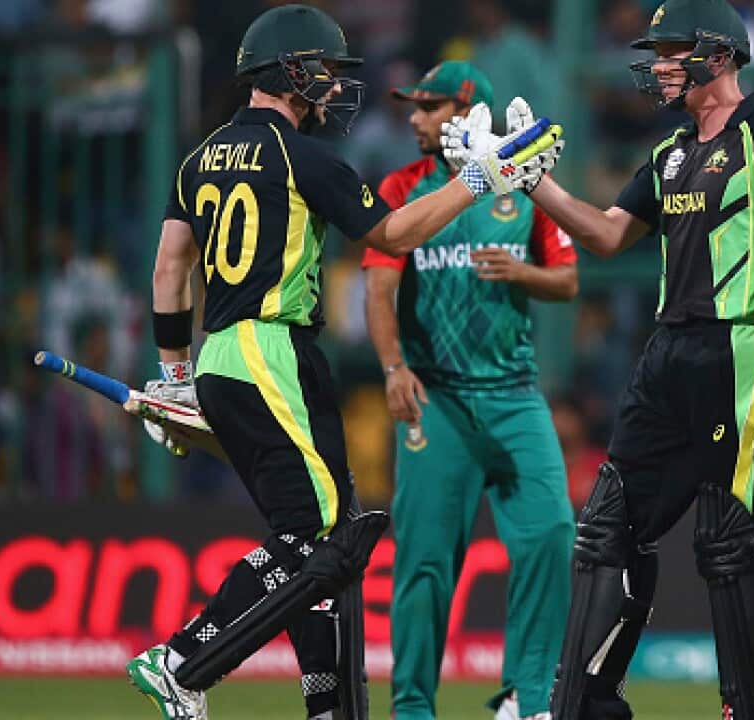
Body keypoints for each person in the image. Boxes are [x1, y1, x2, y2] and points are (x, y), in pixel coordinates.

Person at [122, 6, 563, 720]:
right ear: (289, 71)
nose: (331, 86)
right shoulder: (306, 158)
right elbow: (390, 233)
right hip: (272, 350)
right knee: (322, 534)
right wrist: (483, 177)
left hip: (219, 357)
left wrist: (174, 375)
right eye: (321, 71)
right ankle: (185, 660)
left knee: (319, 542)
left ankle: (329, 707)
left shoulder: (198, 157)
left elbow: (169, 271)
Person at [446, 1, 754, 717]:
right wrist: (534, 182)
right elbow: (606, 233)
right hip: (666, 357)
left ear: (717, 54)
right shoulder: (670, 154)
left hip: (740, 351)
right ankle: (587, 706)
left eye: (671, 51)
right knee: (606, 530)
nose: (657, 67)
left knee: (730, 544)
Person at [362, 61, 578, 720]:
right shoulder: (402, 186)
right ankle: (413, 710)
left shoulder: (524, 188)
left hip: (513, 394)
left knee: (552, 534)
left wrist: (520, 272)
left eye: (429, 107)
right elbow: (378, 285)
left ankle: (528, 697)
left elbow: (568, 280)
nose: (414, 118)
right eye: (414, 107)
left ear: (469, 113)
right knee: (425, 564)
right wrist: (394, 366)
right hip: (438, 399)